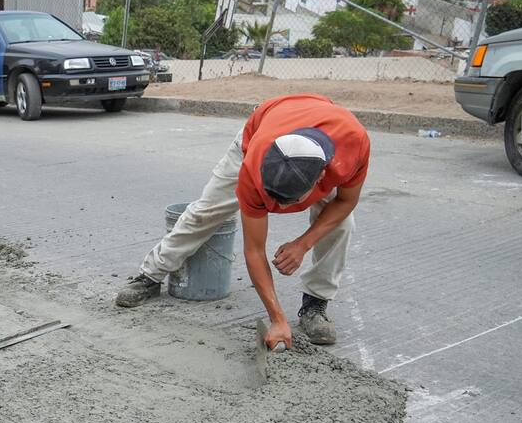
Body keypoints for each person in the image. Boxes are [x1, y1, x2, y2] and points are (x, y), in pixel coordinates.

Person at [114, 93, 370, 349]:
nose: (277, 208)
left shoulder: (354, 146)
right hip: (263, 131)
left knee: (342, 225)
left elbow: (345, 202)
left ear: (321, 177)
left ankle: (316, 303)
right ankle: (149, 275)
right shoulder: (255, 164)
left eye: (287, 202)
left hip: (319, 129)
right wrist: (277, 319)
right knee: (208, 211)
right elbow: (254, 249)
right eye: (272, 198)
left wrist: (303, 244)